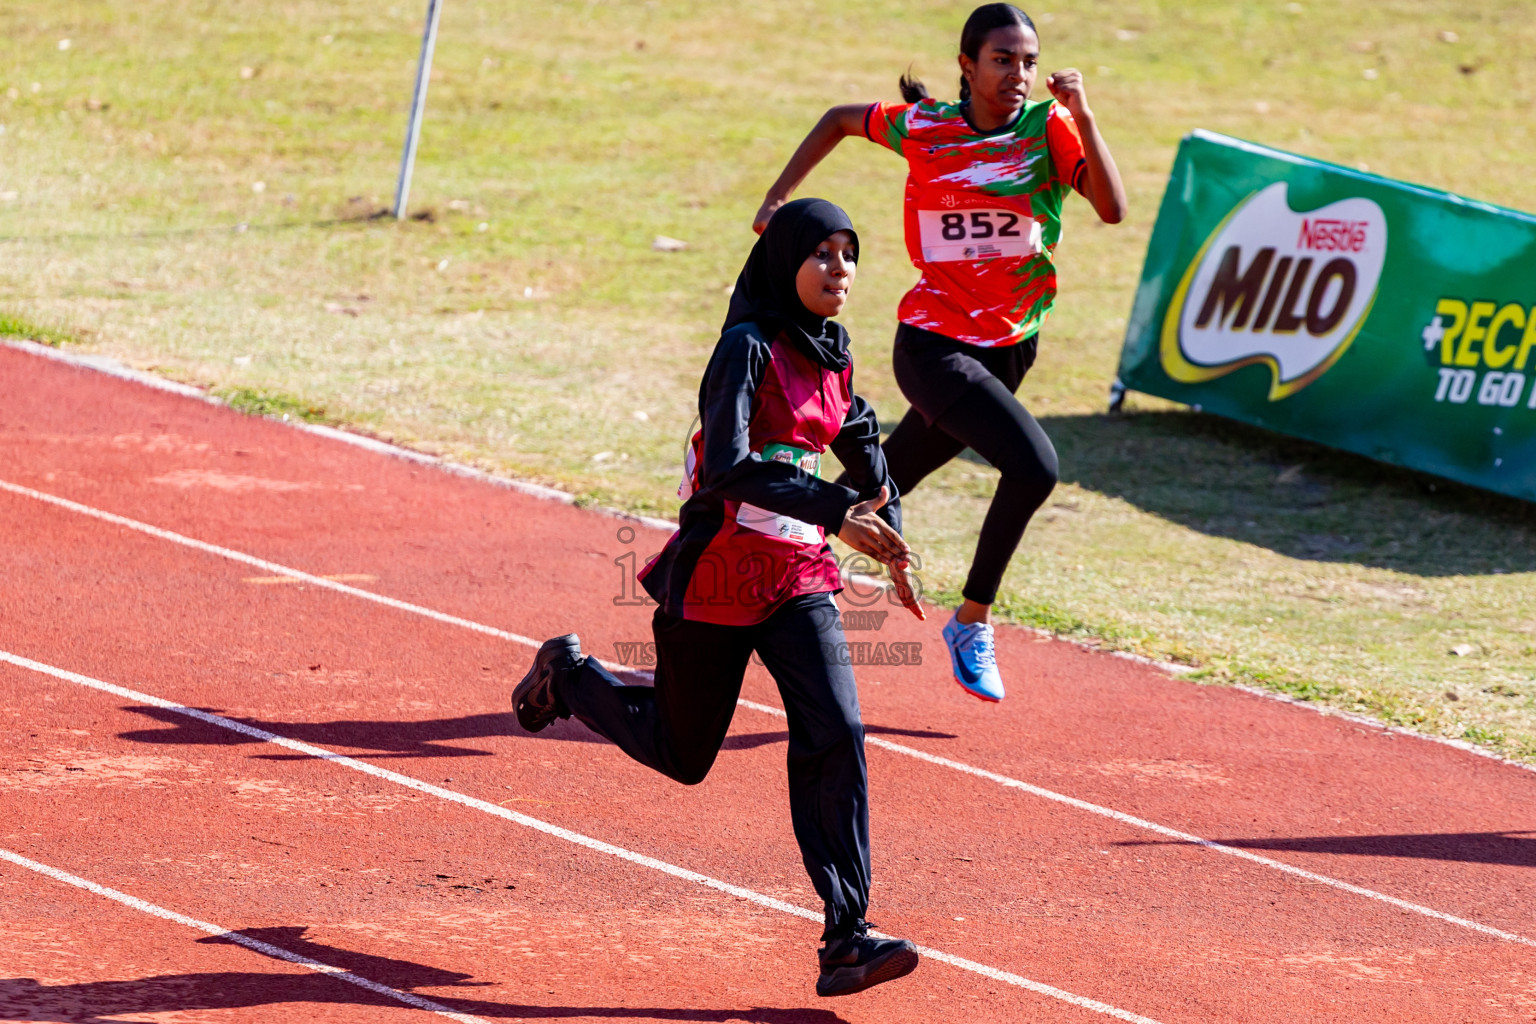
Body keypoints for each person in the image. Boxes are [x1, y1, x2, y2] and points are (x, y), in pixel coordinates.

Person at [512, 198, 924, 998]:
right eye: (823, 255)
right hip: (720, 574)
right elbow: (732, 465)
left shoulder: (831, 353)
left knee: (835, 731)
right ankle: (571, 678)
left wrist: (890, 530)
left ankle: (847, 936)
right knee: (683, 752)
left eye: (850, 254)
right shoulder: (745, 350)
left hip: (798, 577)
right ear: (785, 263)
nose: (840, 270)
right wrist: (838, 510)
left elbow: (866, 445)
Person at [753, 3, 1127, 703]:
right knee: (1035, 467)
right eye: (1002, 60)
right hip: (932, 344)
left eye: (1028, 62)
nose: (1019, 74)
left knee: (881, 483)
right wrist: (778, 199)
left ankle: (758, 557)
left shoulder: (1050, 130)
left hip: (1011, 349)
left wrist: (1086, 117)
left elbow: (1112, 208)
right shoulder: (925, 128)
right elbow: (839, 118)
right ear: (968, 66)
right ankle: (973, 620)